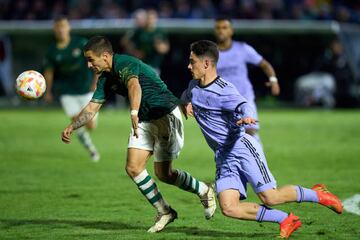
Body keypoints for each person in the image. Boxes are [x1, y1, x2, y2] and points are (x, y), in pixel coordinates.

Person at [181, 40, 343, 239]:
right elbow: (186, 95)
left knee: (270, 197)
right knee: (229, 208)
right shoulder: (193, 86)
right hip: (223, 156)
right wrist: (186, 103)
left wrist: (247, 116)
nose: (189, 66)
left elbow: (244, 104)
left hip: (241, 148)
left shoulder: (225, 89)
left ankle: (318, 194)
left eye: (192, 61)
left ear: (206, 64)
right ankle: (286, 219)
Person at [61, 36, 216, 233]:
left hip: (165, 114)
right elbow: (92, 108)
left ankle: (204, 190)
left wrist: (133, 111)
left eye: (91, 59)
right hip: (144, 120)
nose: (89, 65)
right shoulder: (105, 79)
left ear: (106, 56)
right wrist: (72, 126)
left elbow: (135, 86)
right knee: (133, 168)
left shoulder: (125, 63)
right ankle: (165, 211)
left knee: (164, 174)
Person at [214, 17, 280, 142]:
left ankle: (257, 160)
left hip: (245, 98)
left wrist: (273, 80)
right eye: (218, 28)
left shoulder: (242, 49)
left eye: (224, 28)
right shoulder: (211, 53)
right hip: (223, 102)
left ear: (231, 31)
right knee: (227, 140)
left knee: (249, 131)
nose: (221, 31)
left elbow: (264, 64)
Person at [43, 16, 100, 161]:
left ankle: (89, 144)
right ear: (54, 30)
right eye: (58, 27)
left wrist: (96, 81)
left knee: (91, 125)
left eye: (63, 26)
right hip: (67, 92)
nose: (61, 29)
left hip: (86, 89)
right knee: (77, 121)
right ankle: (91, 149)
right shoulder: (51, 51)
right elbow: (49, 72)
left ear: (68, 27)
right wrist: (47, 91)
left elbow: (95, 61)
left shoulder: (80, 43)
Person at [121, 9, 169, 74]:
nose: (150, 20)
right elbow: (125, 42)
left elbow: (165, 49)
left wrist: (158, 45)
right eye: (148, 18)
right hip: (140, 65)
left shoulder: (159, 32)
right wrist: (134, 52)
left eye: (152, 18)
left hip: (154, 66)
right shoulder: (140, 31)